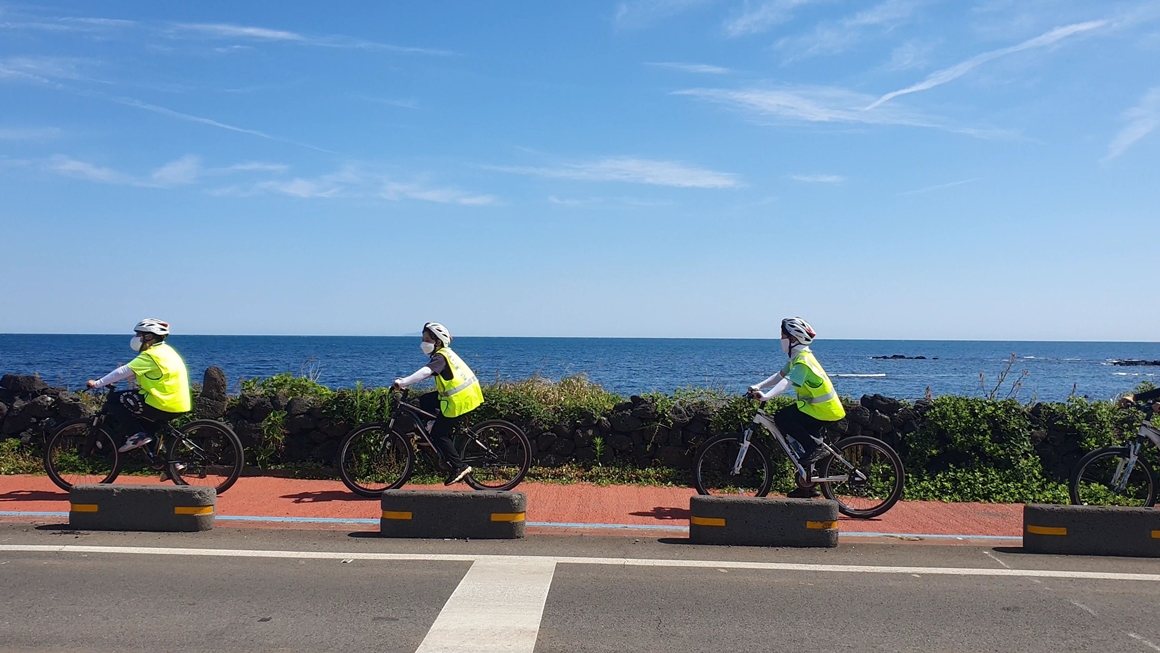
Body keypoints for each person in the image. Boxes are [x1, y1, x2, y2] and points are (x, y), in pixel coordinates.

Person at [748, 317, 846, 498]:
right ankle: (807, 485)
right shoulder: (798, 358)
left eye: (783, 336)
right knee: (802, 443)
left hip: (823, 410)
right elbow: (779, 376)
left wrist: (767, 396)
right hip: (817, 409)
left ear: (793, 339)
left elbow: (786, 382)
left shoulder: (803, 362)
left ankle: (813, 450)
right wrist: (758, 387)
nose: (781, 340)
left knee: (782, 418)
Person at [393, 322, 484, 485]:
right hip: (464, 394)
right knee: (422, 401)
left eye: (427, 340)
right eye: (423, 339)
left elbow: (427, 371)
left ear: (438, 342)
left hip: (459, 399)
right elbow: (430, 372)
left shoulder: (441, 356)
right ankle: (432, 423)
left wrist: (404, 382)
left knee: (439, 434)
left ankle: (459, 466)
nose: (424, 343)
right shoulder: (444, 354)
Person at [87, 319, 191, 453]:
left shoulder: (151, 355)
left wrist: (97, 383)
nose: (136, 338)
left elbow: (123, 371)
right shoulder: (167, 351)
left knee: (114, 401)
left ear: (148, 336)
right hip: (179, 403)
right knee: (147, 431)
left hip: (162, 403)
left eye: (138, 335)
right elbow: (157, 373)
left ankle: (136, 435)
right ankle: (172, 464)